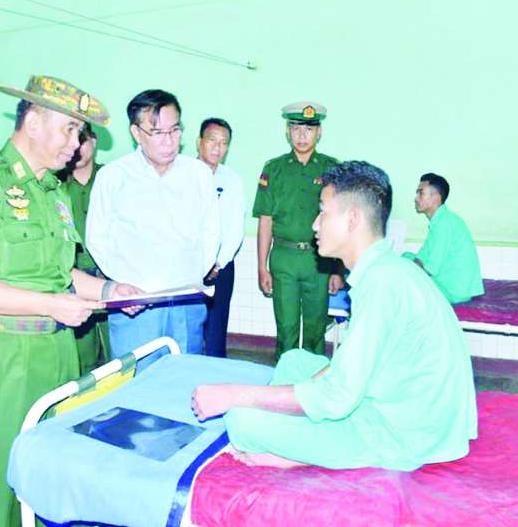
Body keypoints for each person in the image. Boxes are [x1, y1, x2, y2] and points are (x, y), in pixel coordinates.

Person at [0, 75, 141, 527]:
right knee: (2, 479)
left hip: (58, 349)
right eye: (69, 129)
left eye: (80, 132)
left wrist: (108, 290)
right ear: (33, 124)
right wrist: (51, 304)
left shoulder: (52, 190)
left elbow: (60, 273)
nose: (77, 143)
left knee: (50, 472)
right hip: (4, 354)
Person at [192, 161, 478, 471]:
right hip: (399, 401)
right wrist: (268, 397)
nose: (315, 225)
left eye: (323, 212)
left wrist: (235, 395)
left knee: (241, 421)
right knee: (293, 361)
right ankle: (297, 441)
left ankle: (295, 451)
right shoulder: (385, 269)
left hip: (401, 432)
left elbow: (338, 396)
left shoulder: (382, 283)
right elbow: (350, 364)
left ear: (352, 219)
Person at [87, 89, 220, 369]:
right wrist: (124, 285)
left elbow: (211, 233)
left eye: (175, 130)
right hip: (135, 306)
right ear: (136, 133)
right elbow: (97, 239)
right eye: (158, 132)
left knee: (185, 378)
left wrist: (188, 277)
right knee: (136, 382)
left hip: (185, 302)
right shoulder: (113, 177)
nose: (169, 141)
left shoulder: (198, 174)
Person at [252, 102, 343, 359]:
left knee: (315, 329)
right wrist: (262, 267)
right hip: (284, 258)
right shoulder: (273, 169)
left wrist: (337, 269)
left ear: (319, 132)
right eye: (296, 128)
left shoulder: (332, 169)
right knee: (286, 327)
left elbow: (339, 222)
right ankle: (285, 376)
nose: (302, 135)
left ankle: (314, 377)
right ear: (287, 131)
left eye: (309, 129)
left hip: (319, 260)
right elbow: (265, 221)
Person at [59, 122, 110, 372]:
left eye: (82, 139)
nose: (76, 146)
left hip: (112, 281)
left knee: (120, 357)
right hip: (74, 282)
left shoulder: (112, 178)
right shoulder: (55, 185)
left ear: (94, 141)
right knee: (80, 364)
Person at [196, 118, 245, 357]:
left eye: (224, 143)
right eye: (212, 140)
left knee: (216, 328)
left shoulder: (232, 180)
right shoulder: (182, 174)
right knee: (187, 327)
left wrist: (218, 263)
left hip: (221, 267)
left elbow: (235, 228)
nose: (218, 148)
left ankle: (215, 371)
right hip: (187, 266)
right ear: (199, 142)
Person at [403, 173, 484, 304]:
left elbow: (432, 268)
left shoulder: (444, 223)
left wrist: (407, 275)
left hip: (453, 292)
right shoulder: (440, 221)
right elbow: (422, 255)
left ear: (436, 197)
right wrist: (408, 266)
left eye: (420, 193)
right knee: (406, 258)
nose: (416, 198)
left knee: (404, 270)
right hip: (444, 284)